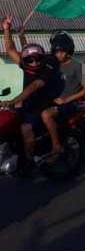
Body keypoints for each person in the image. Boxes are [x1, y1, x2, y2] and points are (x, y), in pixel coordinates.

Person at [2, 16, 64, 163]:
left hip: (45, 104)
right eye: (30, 60)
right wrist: (7, 29)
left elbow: (34, 86)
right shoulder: (27, 63)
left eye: (63, 50)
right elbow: (11, 49)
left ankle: (31, 161)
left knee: (27, 127)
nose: (34, 62)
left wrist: (13, 100)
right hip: (29, 104)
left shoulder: (50, 66)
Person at [41, 31, 85, 158]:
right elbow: (32, 57)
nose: (59, 54)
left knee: (46, 115)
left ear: (69, 51)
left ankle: (56, 146)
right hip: (53, 101)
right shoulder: (52, 65)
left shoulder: (78, 66)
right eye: (56, 51)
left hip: (70, 103)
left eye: (62, 51)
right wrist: (21, 36)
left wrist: (66, 99)